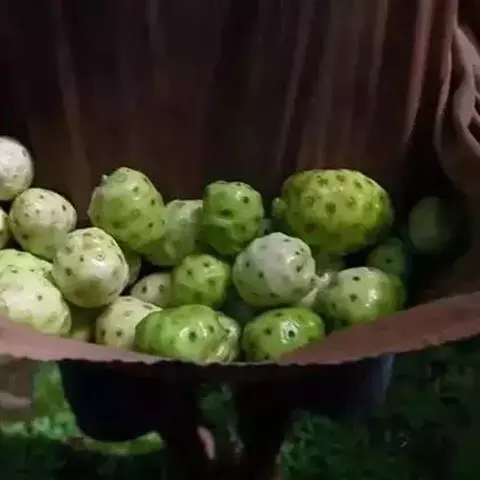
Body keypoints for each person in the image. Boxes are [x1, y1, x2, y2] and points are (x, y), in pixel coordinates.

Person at [3, 0, 480, 479]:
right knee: (134, 370)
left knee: (293, 365)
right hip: (100, 91)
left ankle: (256, 452)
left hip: (330, 73)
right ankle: (188, 444)